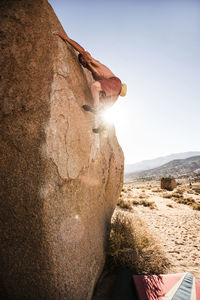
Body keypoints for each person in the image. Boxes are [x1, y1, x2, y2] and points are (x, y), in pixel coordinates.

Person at [53, 31, 127, 114]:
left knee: (93, 86)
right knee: (102, 102)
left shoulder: (92, 61)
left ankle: (97, 108)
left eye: (82, 60)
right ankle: (100, 119)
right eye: (81, 63)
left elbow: (82, 51)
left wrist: (66, 38)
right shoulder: (92, 70)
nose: (83, 63)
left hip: (116, 83)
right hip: (115, 91)